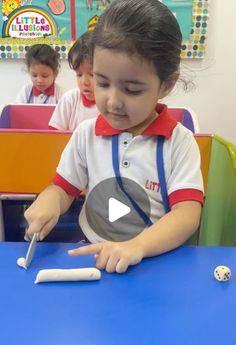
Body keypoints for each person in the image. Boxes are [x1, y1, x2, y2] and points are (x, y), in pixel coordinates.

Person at [25, 0, 204, 275]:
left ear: (166, 85)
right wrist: (50, 199)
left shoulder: (179, 142)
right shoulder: (86, 134)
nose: (112, 101)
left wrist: (138, 246)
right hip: (95, 258)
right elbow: (63, 189)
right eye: (102, 82)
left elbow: (188, 214)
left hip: (156, 263)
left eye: (131, 90)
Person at [48, 31, 98, 131]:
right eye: (79, 75)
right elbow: (53, 134)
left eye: (92, 75)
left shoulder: (110, 104)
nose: (84, 82)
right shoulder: (70, 99)